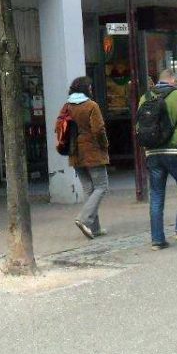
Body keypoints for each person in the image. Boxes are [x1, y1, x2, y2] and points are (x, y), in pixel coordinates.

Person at [141, 67, 177, 249]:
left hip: (152, 152)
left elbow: (139, 125)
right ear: (172, 79)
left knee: (156, 194)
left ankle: (157, 240)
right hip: (173, 151)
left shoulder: (145, 97)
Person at [65, 76, 109, 240]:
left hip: (74, 152)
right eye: (90, 87)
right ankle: (83, 219)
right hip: (92, 151)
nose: (91, 90)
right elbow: (98, 129)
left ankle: (94, 228)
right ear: (85, 89)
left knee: (89, 189)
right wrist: (104, 145)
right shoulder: (91, 105)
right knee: (102, 186)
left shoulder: (67, 107)